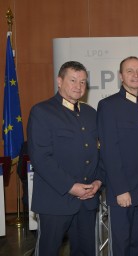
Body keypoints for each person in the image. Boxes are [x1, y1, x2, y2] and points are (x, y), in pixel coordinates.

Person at [27, 61, 103, 255]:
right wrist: (71, 187)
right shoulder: (42, 111)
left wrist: (98, 181)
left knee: (85, 252)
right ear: (59, 81)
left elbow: (99, 153)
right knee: (48, 251)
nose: (79, 86)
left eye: (83, 82)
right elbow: (41, 158)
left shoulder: (90, 113)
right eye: (73, 80)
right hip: (55, 200)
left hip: (87, 199)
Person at [97, 56, 138, 255]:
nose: (135, 75)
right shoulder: (108, 105)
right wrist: (120, 189)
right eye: (130, 71)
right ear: (121, 76)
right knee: (122, 245)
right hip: (123, 191)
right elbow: (109, 151)